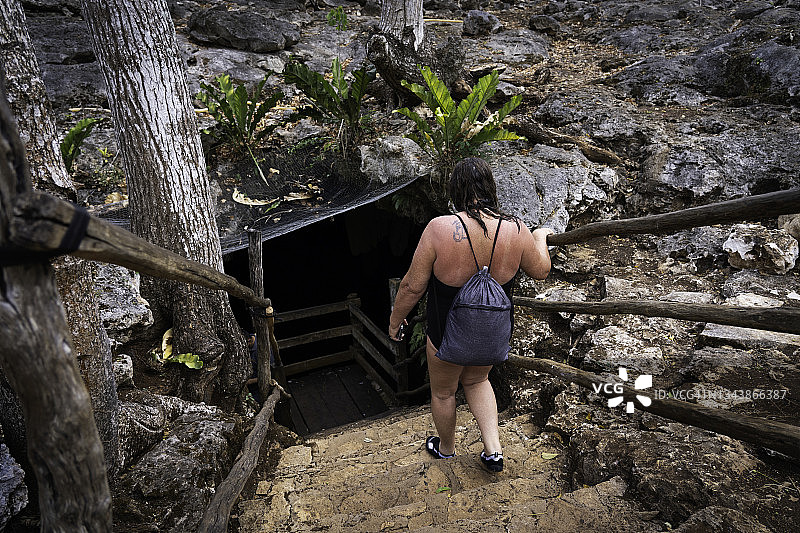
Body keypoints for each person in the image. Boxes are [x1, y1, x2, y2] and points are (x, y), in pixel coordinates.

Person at [388, 157, 553, 473]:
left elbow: (411, 286)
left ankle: (447, 449)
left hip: (444, 333)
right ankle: (493, 450)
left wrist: (396, 322)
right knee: (478, 379)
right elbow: (541, 270)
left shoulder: (440, 229)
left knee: (444, 391)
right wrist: (540, 237)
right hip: (490, 330)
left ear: (454, 191)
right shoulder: (516, 229)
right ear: (491, 188)